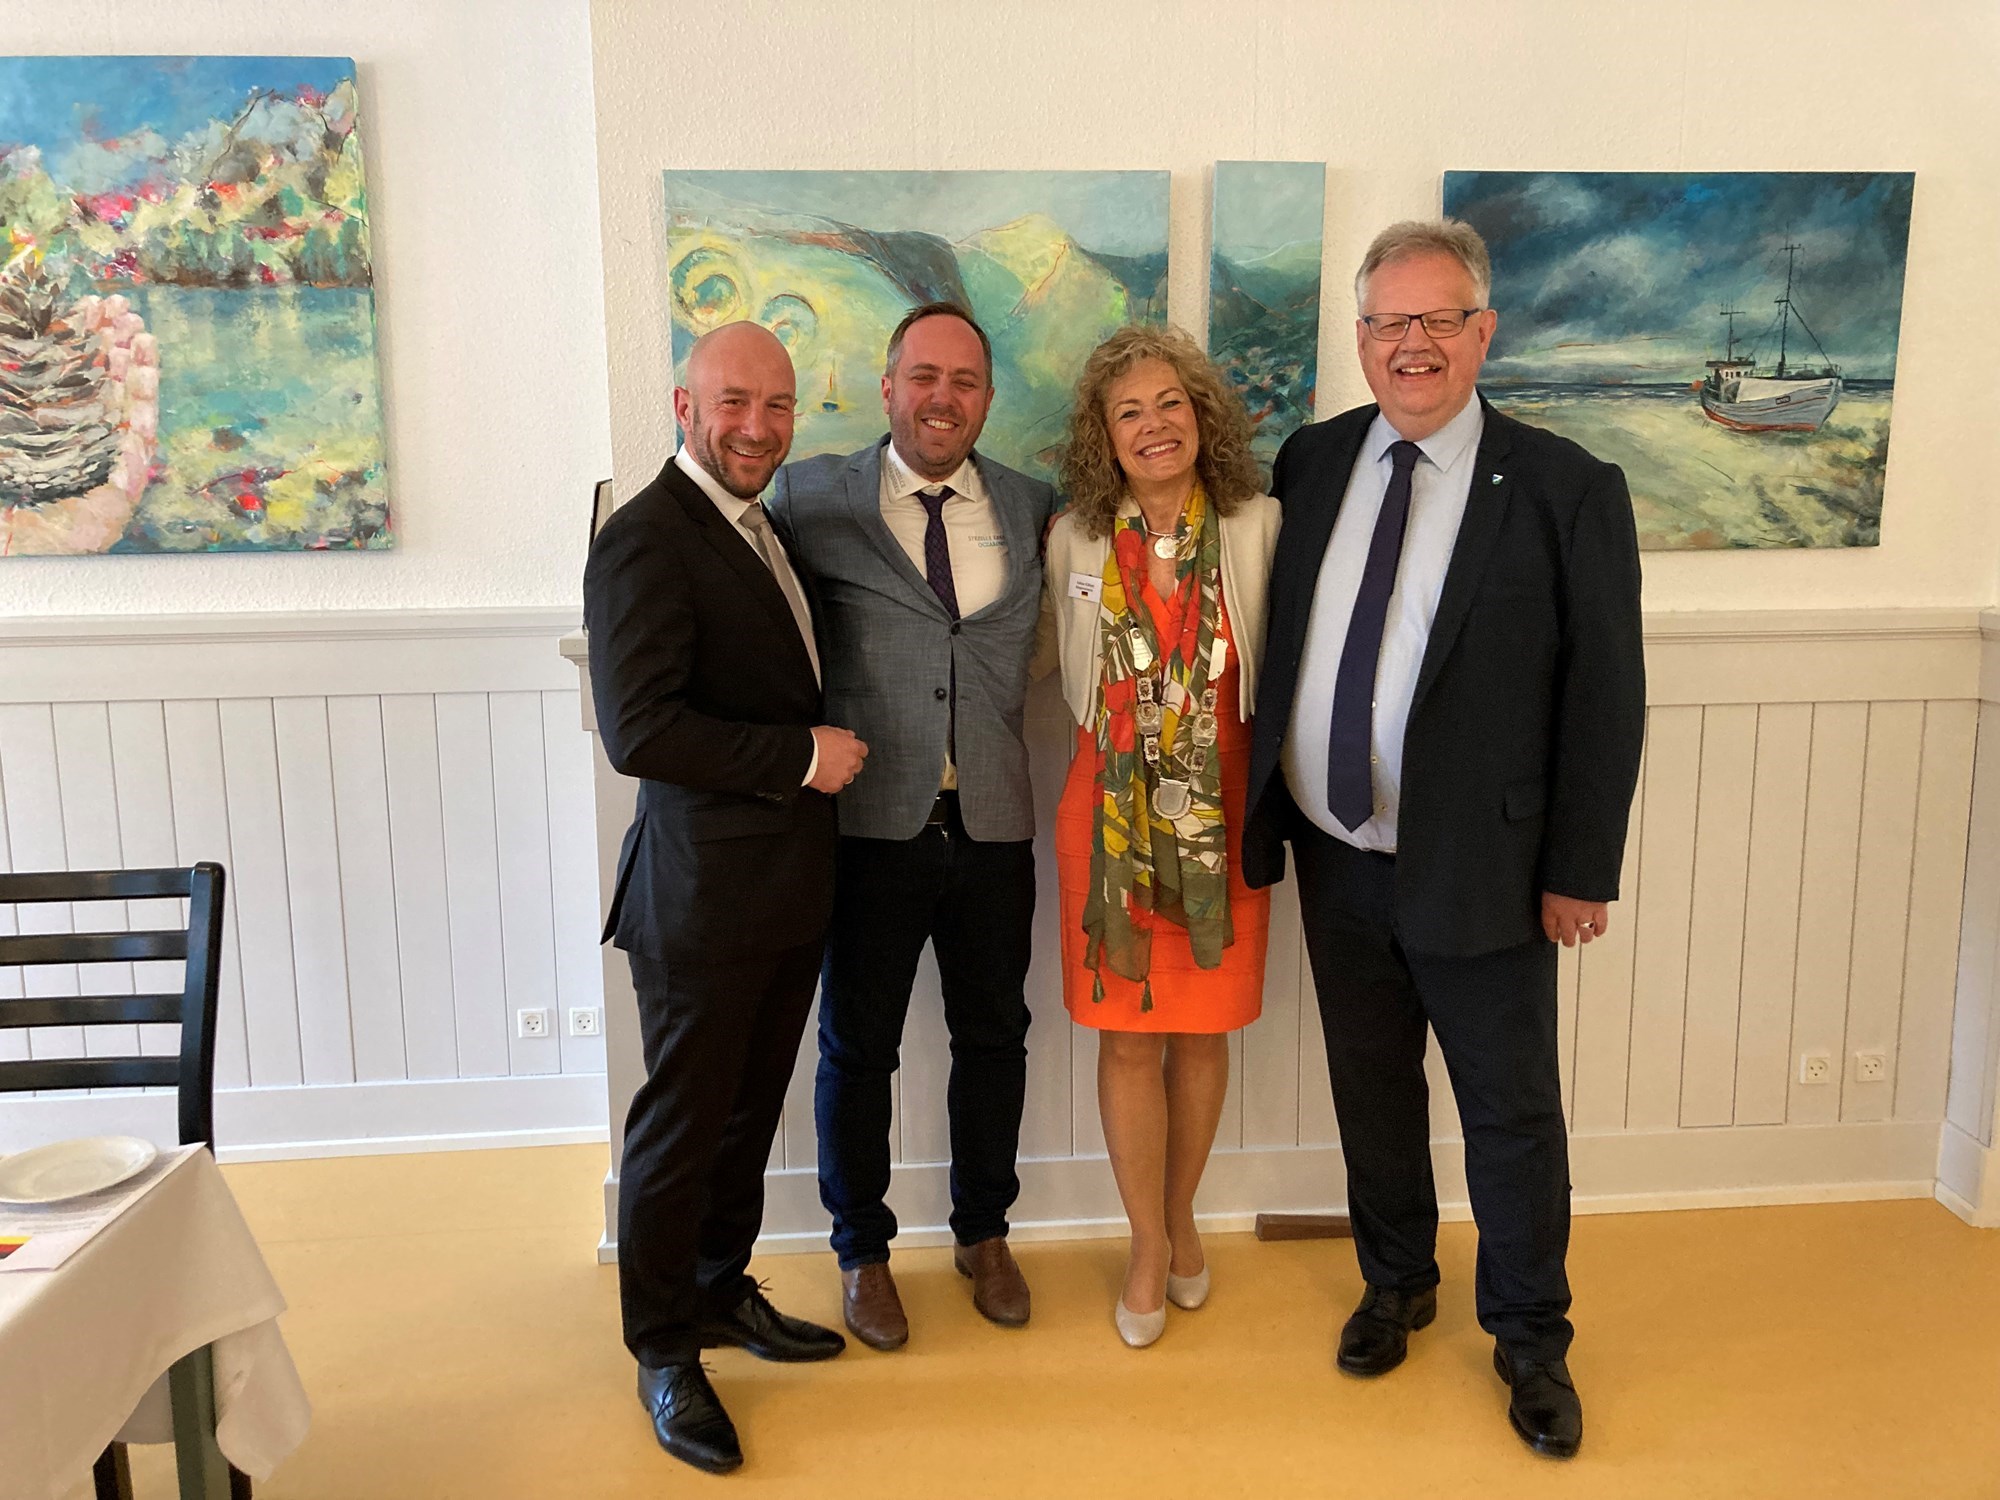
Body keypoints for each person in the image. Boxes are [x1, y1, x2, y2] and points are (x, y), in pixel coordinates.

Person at [1243, 220, 1645, 1457]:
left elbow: (1604, 693)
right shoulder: (1310, 461)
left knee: (1507, 1116)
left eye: (1436, 320)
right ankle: (1395, 1283)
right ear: (1359, 336)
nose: (1409, 344)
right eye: (1386, 322)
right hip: (1332, 854)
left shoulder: (1566, 487)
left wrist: (1578, 871)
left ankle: (1529, 1338)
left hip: (1488, 870)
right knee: (1370, 1088)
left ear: (1482, 332)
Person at [583, 320, 868, 1476]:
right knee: (681, 1129)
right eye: (734, 403)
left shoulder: (761, 522)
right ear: (684, 407)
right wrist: (801, 757)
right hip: (699, 900)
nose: (757, 426)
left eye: (777, 405)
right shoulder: (644, 537)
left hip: (785, 891)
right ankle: (661, 1350)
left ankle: (713, 1289)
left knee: (745, 1119)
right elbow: (640, 730)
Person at [767, 302, 1054, 1351]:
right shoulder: (811, 496)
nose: (943, 398)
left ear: (987, 398)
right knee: (857, 1049)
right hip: (866, 827)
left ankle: (985, 1235)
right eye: (923, 377)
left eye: (964, 381)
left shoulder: (1031, 506)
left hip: (993, 823)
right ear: (887, 387)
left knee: (995, 1039)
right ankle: (862, 1252)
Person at [1043, 324, 1280, 1347]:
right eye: (1128, 411)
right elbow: (1054, 671)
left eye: (1169, 403)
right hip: (1106, 817)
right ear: (1103, 436)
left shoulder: (1258, 525)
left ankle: (1182, 1218)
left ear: (1201, 416)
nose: (1153, 426)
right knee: (1128, 1036)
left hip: (1223, 813)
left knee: (1200, 1032)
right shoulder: (1073, 539)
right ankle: (1148, 1244)